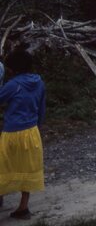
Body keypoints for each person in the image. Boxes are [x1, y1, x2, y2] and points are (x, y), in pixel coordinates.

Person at [0, 47, 46, 219]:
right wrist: (38, 128)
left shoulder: (13, 85)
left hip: (12, 132)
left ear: (13, 68)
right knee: (27, 169)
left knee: (4, 166)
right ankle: (23, 207)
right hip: (32, 132)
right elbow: (41, 109)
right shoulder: (39, 82)